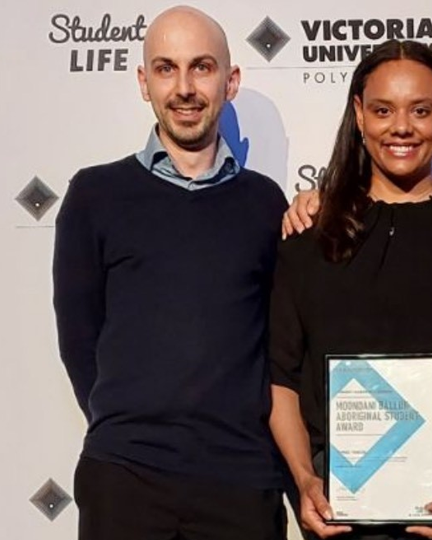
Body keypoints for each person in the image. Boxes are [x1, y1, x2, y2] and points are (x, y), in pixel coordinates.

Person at [52, 6, 290, 539]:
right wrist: (136, 425)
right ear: (144, 82)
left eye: (201, 67)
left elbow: (277, 342)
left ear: (230, 82)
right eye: (166, 68)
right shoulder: (95, 195)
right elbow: (79, 339)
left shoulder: (265, 203)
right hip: (125, 477)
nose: (184, 87)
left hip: (241, 479)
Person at [268, 39, 432, 540]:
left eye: (421, 110)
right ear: (359, 115)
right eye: (383, 110)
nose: (401, 127)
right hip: (341, 508)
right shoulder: (309, 241)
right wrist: (303, 480)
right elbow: (281, 379)